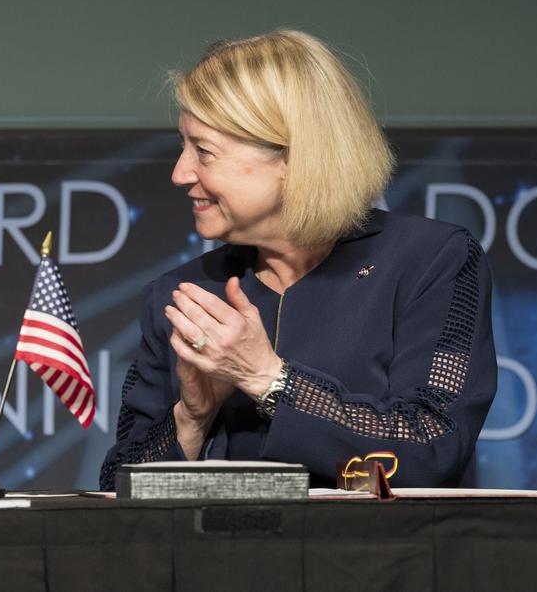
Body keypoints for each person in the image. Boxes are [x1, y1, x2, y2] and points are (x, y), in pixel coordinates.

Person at [100, 30, 496, 489]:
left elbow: (433, 444)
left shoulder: (429, 260)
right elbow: (116, 487)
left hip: (377, 557)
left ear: (292, 157)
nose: (180, 173)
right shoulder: (184, 294)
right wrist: (193, 416)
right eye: (183, 147)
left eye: (203, 151)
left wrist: (270, 380)